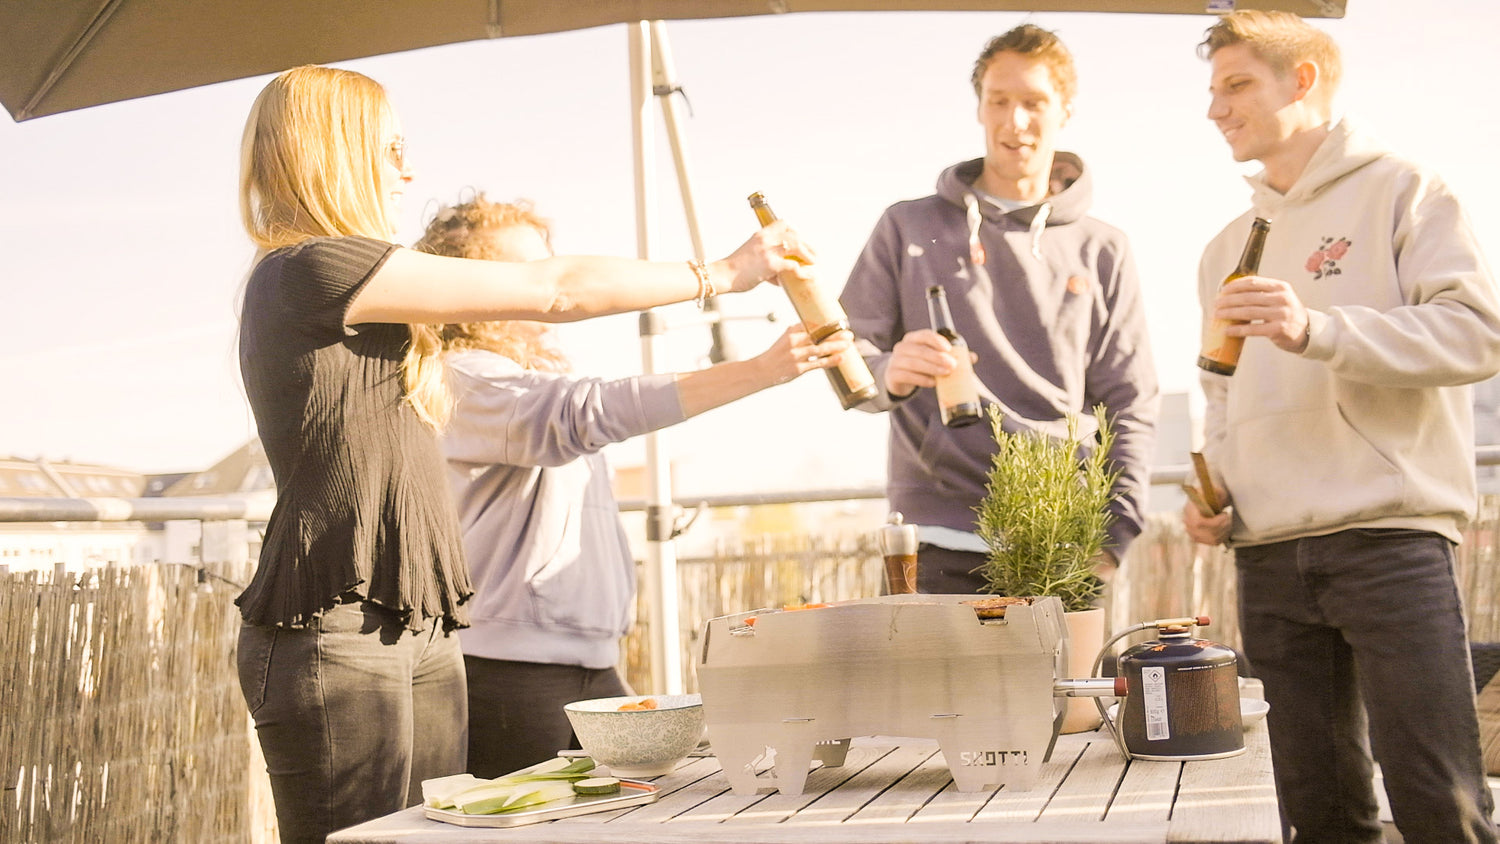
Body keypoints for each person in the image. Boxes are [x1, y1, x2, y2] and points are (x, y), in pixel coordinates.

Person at [233, 65, 811, 843]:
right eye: (391, 148)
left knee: (438, 836)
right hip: (334, 627)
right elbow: (555, 289)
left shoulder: (373, 306)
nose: (408, 169)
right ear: (333, 151)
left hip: (422, 623)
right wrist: (724, 274)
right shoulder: (308, 271)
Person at [1181, 11, 1500, 843]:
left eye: (1237, 85)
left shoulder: (1406, 190)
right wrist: (1219, 491)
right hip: (1268, 554)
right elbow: (1222, 394)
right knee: (1319, 817)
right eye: (1213, 90)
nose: (1216, 108)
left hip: (1389, 541)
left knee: (1439, 804)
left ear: (1304, 79)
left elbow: (1477, 334)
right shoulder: (1224, 248)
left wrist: (1317, 329)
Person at [413, 195, 854, 777]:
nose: (540, 282)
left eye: (545, 264)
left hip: (587, 664)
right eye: (523, 271)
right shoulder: (463, 378)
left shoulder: (523, 380)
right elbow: (584, 413)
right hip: (508, 674)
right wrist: (760, 370)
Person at [839, 24, 1158, 595]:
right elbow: (845, 355)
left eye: (1034, 102)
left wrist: (1112, 540)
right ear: (979, 108)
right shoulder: (906, 226)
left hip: (1061, 541)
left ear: (1066, 110)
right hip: (933, 541)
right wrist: (890, 370)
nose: (1015, 121)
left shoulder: (1104, 248)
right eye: (999, 101)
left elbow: (1130, 402)